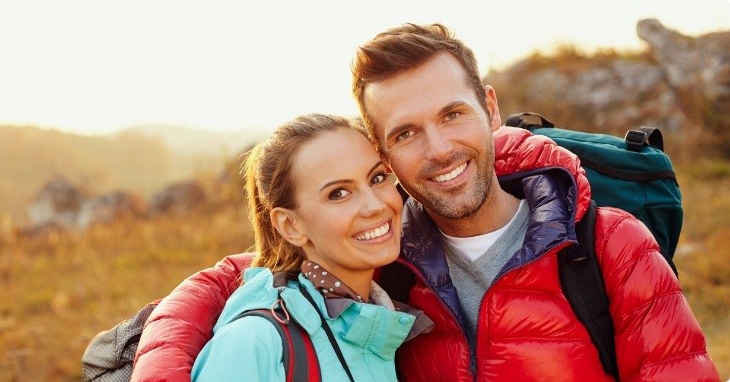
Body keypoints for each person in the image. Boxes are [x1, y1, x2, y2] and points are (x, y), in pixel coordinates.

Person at [132, 24, 719, 381]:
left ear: (489, 109)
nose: (439, 149)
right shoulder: (380, 250)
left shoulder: (608, 242)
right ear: (383, 150)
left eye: (452, 115)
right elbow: (235, 278)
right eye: (406, 133)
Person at [187, 113, 431, 381]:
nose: (376, 205)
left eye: (377, 178)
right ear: (290, 225)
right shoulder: (254, 342)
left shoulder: (381, 324)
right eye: (338, 193)